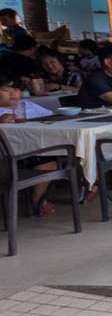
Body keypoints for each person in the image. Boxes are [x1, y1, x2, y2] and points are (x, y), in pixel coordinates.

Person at [0, 76, 57, 216]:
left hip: (32, 149)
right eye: (6, 90)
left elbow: (53, 116)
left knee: (48, 159)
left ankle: (37, 199)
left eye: (17, 90)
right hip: (6, 158)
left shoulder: (27, 105)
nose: (13, 94)